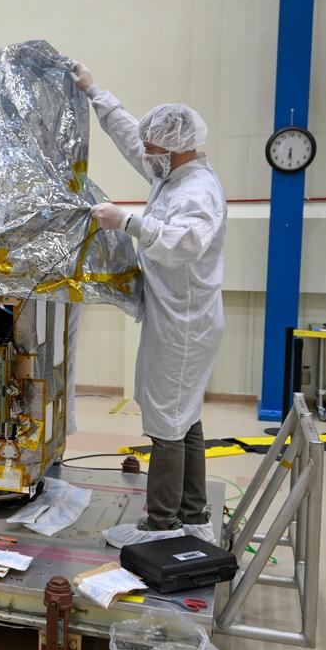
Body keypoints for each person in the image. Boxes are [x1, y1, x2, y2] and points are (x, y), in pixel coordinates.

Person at [69, 62, 227, 547]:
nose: (146, 154)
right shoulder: (171, 175)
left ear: (175, 148)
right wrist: (94, 91)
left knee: (164, 420)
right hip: (175, 316)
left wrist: (128, 223)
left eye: (154, 147)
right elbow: (130, 137)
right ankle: (193, 513)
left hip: (185, 324)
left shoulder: (196, 191)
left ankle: (161, 524)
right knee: (184, 416)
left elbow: (186, 242)